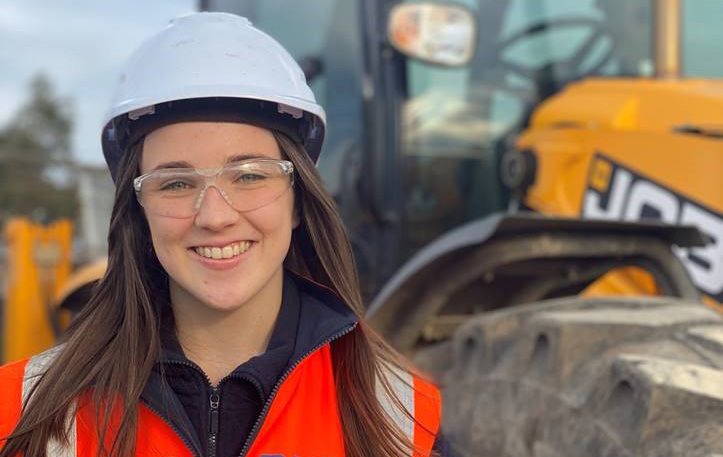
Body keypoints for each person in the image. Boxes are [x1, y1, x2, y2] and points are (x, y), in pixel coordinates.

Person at [0, 12, 444, 457]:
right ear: (140, 212)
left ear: (297, 200)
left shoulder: (400, 416)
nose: (214, 215)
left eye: (249, 176)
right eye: (175, 183)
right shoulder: (21, 412)